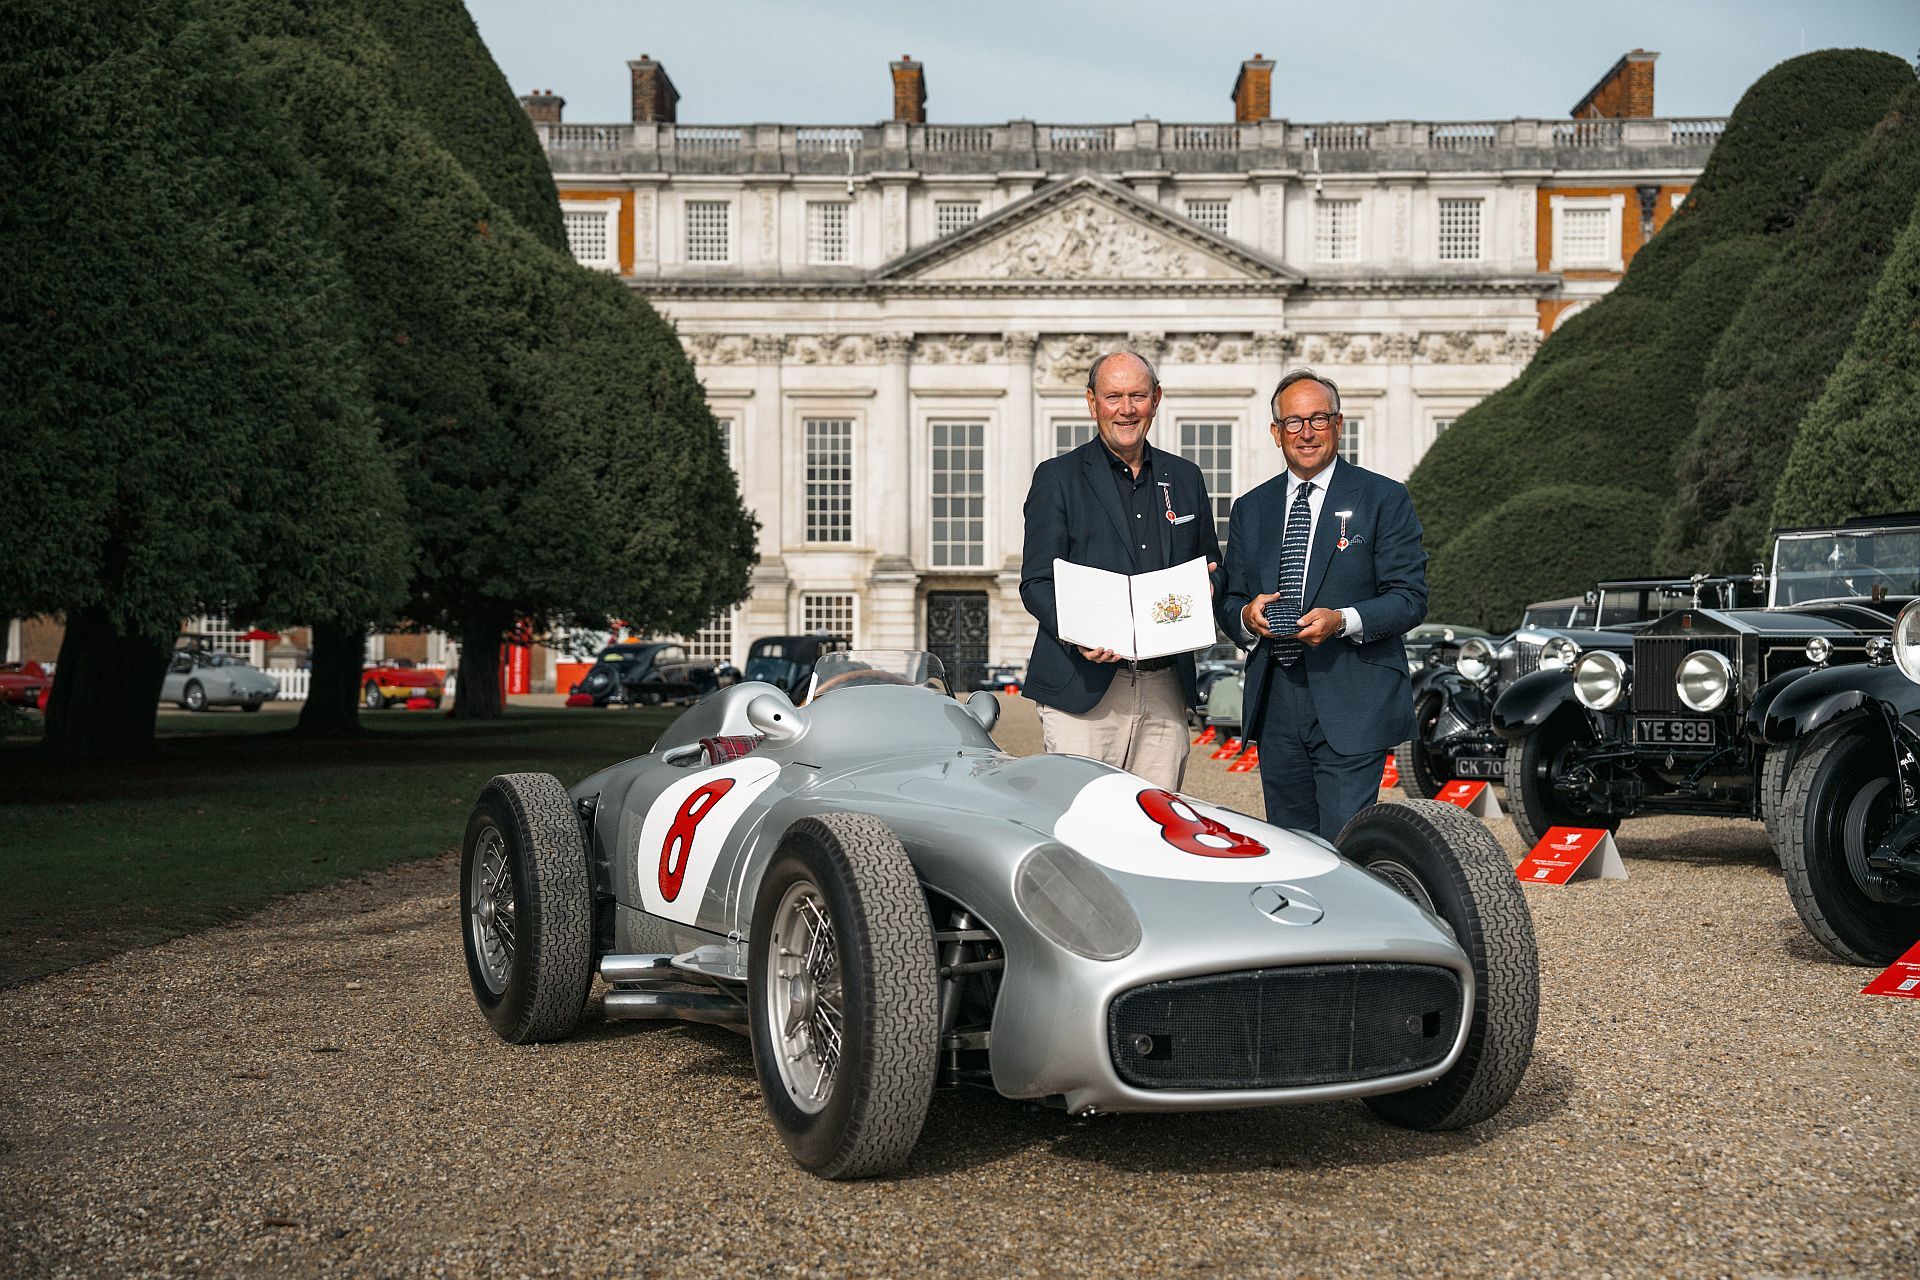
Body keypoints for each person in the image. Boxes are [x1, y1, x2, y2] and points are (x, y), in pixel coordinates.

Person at [1218, 368, 1427, 841]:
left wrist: (1342, 620)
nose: (1306, 433)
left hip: (1352, 695)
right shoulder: (1251, 508)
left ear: (1338, 424)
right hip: (1276, 700)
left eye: (1318, 419)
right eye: (1293, 422)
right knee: (1290, 845)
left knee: (1344, 847)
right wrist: (1247, 618)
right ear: (1276, 433)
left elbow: (1409, 599)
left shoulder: (1383, 498)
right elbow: (1229, 599)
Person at [1019, 351, 1222, 791]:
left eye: (1137, 396)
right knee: (1082, 822)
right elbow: (1035, 582)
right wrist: (1077, 630)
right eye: (1114, 397)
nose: (1126, 409)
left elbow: (1210, 563)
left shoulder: (1185, 477)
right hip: (1084, 689)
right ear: (1092, 403)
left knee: (1159, 823)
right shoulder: (1057, 477)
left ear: (1156, 400)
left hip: (1164, 684)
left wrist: (1208, 584)